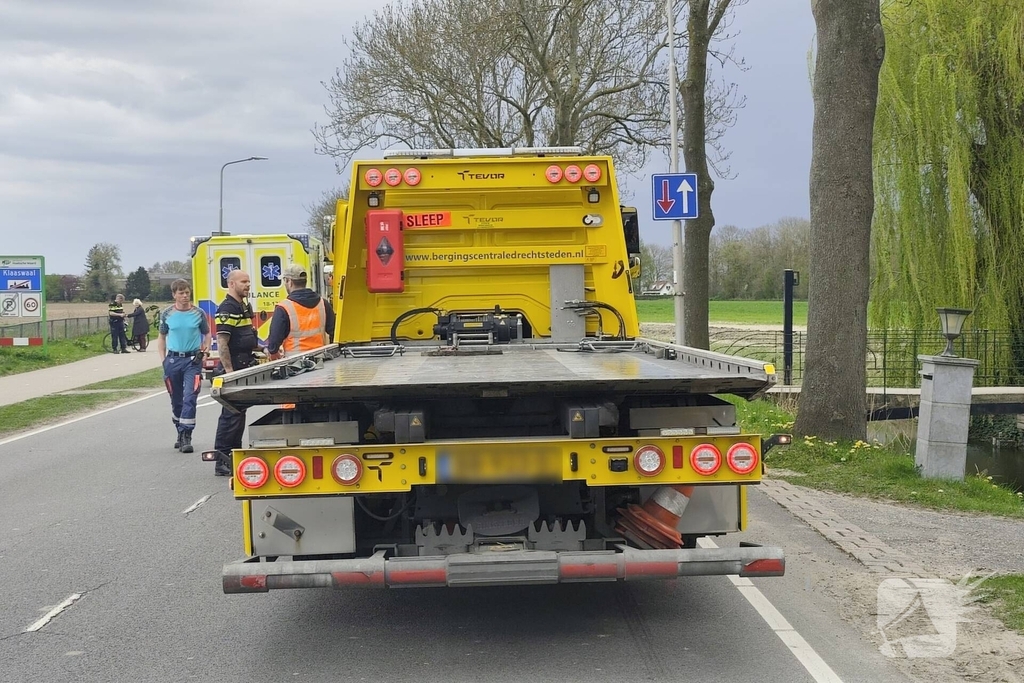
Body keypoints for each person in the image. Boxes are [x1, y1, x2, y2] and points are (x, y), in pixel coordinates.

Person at [212, 270, 259, 476]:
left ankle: (233, 455)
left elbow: (246, 337)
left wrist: (263, 349)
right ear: (231, 284)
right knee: (231, 414)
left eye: (248, 281)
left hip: (245, 362)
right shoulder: (227, 308)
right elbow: (223, 343)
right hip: (235, 366)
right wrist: (229, 372)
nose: (247, 285)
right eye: (243, 282)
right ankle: (222, 459)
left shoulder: (243, 305)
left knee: (239, 414)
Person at [157, 279, 210, 454]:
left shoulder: (198, 313)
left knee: (190, 397)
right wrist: (163, 359)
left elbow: (206, 332)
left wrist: (206, 347)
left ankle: (187, 435)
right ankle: (179, 432)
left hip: (192, 361)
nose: (185, 296)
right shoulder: (167, 314)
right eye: (181, 293)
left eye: (187, 292)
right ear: (174, 295)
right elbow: (162, 337)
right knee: (176, 399)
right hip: (173, 361)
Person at [266, 264, 335, 358]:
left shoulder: (283, 308)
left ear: (289, 282)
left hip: (295, 364)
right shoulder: (323, 304)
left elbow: (273, 343)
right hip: (321, 360)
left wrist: (274, 354)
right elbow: (334, 332)